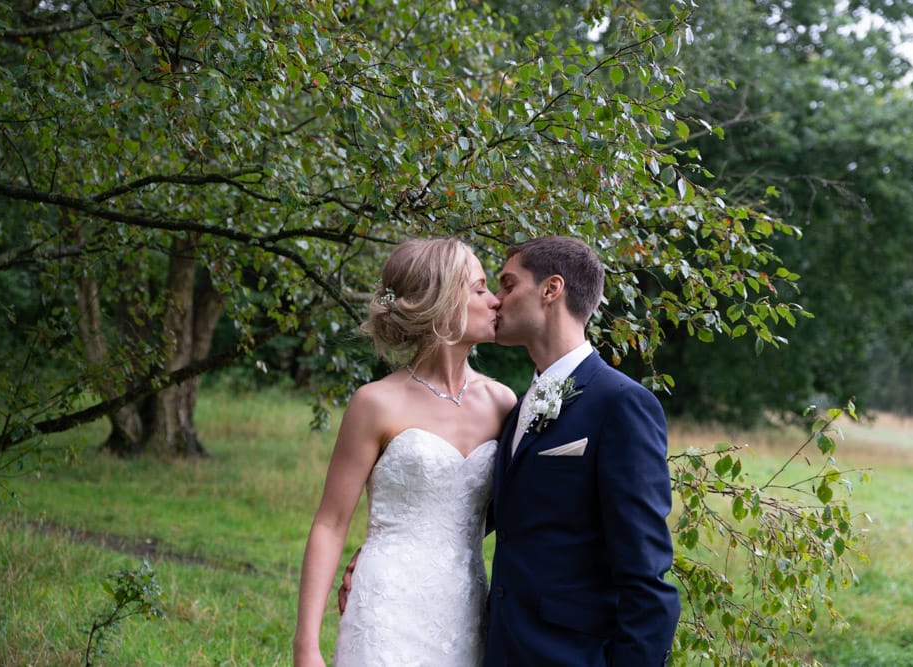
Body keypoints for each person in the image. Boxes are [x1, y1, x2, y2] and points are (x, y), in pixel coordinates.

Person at [292, 238, 516, 667]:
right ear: (443, 300)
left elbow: (503, 513)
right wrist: (306, 646)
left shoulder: (503, 403)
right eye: (480, 288)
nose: (495, 302)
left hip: (466, 609)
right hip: (385, 608)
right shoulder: (376, 402)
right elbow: (331, 522)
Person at [486, 235, 681, 665]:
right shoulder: (518, 407)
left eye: (507, 284)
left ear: (551, 289)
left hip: (574, 655)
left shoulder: (621, 404)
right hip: (504, 647)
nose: (495, 301)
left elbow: (646, 576)